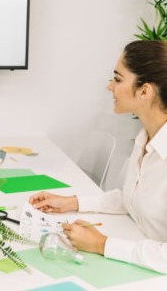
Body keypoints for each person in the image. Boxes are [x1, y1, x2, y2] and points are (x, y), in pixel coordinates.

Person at [29, 40, 167, 273]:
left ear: (145, 91)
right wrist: (72, 203)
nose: (110, 87)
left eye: (118, 79)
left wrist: (102, 244)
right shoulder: (146, 138)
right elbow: (132, 200)